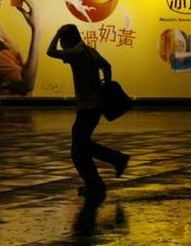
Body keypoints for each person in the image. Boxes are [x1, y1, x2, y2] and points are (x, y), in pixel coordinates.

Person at [47, 24, 130, 198]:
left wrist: (56, 32)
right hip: (96, 105)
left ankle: (113, 163)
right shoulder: (90, 51)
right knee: (81, 146)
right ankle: (96, 182)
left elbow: (50, 52)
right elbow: (107, 66)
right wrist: (105, 85)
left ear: (67, 39)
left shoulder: (75, 54)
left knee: (79, 148)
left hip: (87, 106)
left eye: (62, 40)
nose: (61, 44)